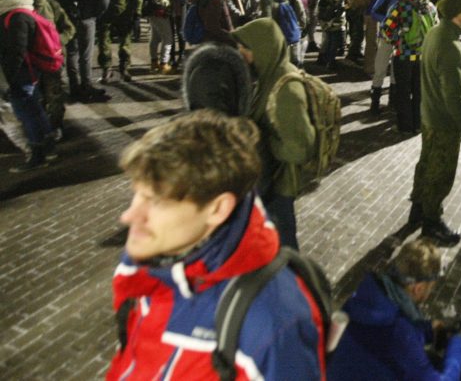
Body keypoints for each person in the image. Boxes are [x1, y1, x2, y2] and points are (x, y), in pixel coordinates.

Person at [106, 111, 325, 380]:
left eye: (156, 201)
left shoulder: (273, 323)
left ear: (217, 209)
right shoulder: (146, 261)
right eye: (136, 194)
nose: (128, 217)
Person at [327, 239, 461, 380]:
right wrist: (458, 348)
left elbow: (378, 339)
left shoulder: (362, 296)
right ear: (418, 288)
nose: (430, 292)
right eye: (430, 287)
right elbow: (399, 340)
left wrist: (426, 329)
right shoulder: (401, 332)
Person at [232, 17, 317, 250]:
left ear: (262, 48)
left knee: (282, 247)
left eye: (245, 49)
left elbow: (300, 148)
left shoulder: (287, 89)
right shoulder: (266, 75)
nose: (241, 54)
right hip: (266, 182)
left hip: (279, 186)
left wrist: (263, 145)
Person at [406, 0, 461, 246]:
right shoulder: (451, 47)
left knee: (426, 163)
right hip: (444, 120)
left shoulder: (436, 32)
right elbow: (453, 94)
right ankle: (431, 223)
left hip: (429, 113)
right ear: (457, 12)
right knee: (441, 172)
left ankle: (417, 208)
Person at [0, 0, 57, 171]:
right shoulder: (23, 12)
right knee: (34, 108)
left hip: (22, 72)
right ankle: (49, 147)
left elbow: (17, 50)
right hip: (30, 70)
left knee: (26, 113)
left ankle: (37, 155)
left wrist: (8, 78)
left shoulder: (16, 17)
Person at [381, 0, 437, 133]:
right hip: (423, 57)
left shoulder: (400, 6)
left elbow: (386, 31)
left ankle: (405, 125)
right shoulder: (430, 7)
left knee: (403, 91)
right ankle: (418, 124)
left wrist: (397, 42)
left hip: (403, 56)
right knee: (419, 91)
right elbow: (435, 30)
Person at [51, 0, 108, 102]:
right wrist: (95, 14)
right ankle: (86, 86)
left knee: (72, 52)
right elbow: (103, 0)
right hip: (86, 18)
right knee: (85, 54)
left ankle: (74, 86)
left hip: (67, 17)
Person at [24, 0, 74, 139]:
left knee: (55, 96)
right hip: (31, 62)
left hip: (53, 60)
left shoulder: (52, 6)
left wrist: (56, 43)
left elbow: (69, 28)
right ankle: (41, 128)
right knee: (36, 97)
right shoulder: (22, 11)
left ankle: (56, 126)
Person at [97, 0, 142, 83]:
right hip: (105, 12)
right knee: (104, 42)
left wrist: (137, 12)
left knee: (125, 43)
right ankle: (106, 68)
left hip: (125, 13)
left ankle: (124, 67)